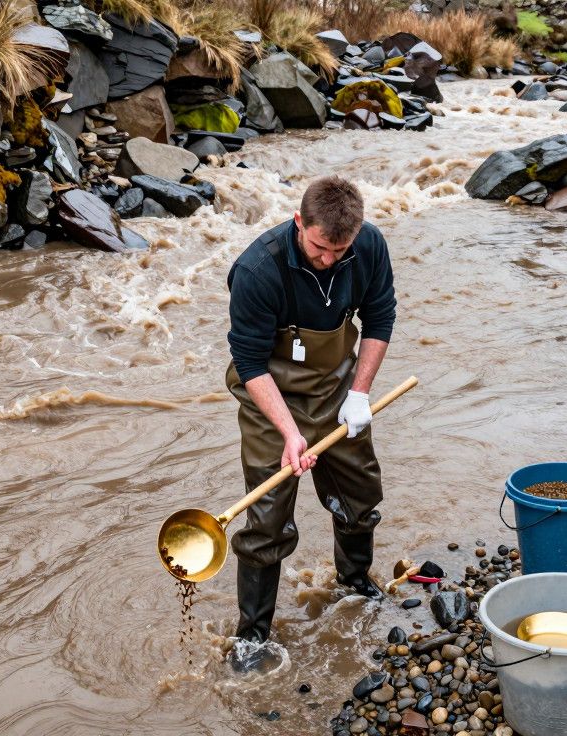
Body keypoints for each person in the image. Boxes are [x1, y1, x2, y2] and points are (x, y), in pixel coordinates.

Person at [224, 175, 397, 671]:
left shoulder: (366, 246)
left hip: (338, 389)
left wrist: (360, 394)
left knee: (361, 493)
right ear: (300, 222)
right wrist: (289, 432)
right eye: (321, 247)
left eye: (340, 250)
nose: (329, 259)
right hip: (269, 399)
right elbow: (251, 363)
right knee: (267, 517)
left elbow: (380, 318)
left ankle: (355, 584)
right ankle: (253, 636)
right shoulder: (257, 270)